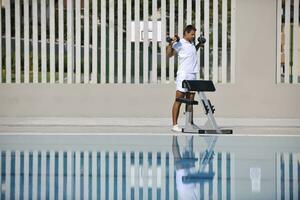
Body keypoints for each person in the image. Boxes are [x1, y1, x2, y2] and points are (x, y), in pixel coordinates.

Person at [166, 25, 203, 132]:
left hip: (192, 74)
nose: (193, 36)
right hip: (183, 75)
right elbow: (169, 55)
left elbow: (191, 52)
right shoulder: (180, 42)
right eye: (191, 34)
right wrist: (170, 43)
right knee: (178, 99)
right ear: (186, 33)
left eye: (194, 34)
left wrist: (199, 45)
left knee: (190, 100)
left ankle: (189, 123)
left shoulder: (191, 43)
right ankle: (174, 125)